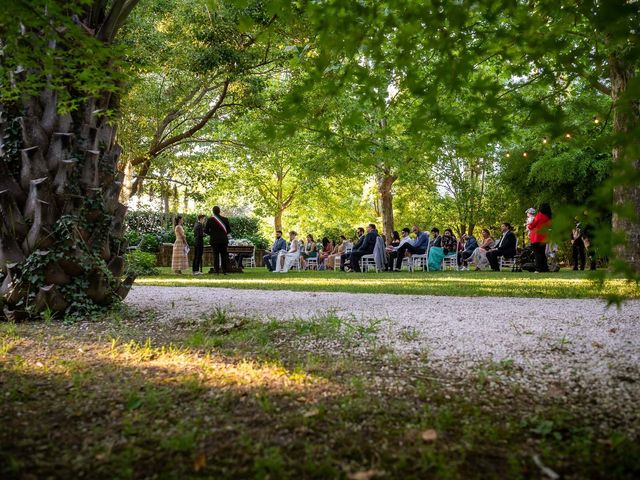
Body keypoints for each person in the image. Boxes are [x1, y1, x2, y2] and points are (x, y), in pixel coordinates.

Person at [204, 205, 231, 274]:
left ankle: (216, 271)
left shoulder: (210, 219)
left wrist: (212, 234)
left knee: (215, 256)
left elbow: (205, 230)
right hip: (223, 240)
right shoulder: (225, 219)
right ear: (219, 211)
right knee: (224, 255)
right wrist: (223, 234)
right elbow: (229, 230)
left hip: (214, 240)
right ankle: (224, 271)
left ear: (213, 212)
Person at [527, 203, 552, 272]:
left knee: (537, 253)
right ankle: (545, 268)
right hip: (544, 237)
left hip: (536, 237)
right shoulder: (548, 217)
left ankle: (538, 269)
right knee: (542, 253)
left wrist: (528, 226)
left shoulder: (539, 215)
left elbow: (532, 225)